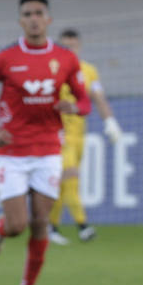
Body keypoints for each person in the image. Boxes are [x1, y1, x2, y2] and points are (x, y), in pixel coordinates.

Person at [0, 0, 90, 285]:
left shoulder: (66, 58)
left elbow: (85, 101)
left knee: (41, 222)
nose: (34, 18)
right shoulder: (5, 57)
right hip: (12, 151)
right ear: (20, 21)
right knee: (17, 225)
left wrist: (74, 106)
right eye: (28, 13)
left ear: (48, 19)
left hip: (49, 149)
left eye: (39, 13)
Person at [47, 29, 123, 245]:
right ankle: (83, 225)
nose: (70, 49)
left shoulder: (89, 70)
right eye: (65, 45)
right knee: (70, 176)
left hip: (79, 135)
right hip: (58, 134)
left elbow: (98, 98)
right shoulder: (51, 69)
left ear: (79, 46)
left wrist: (110, 121)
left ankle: (52, 228)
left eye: (73, 45)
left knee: (62, 183)